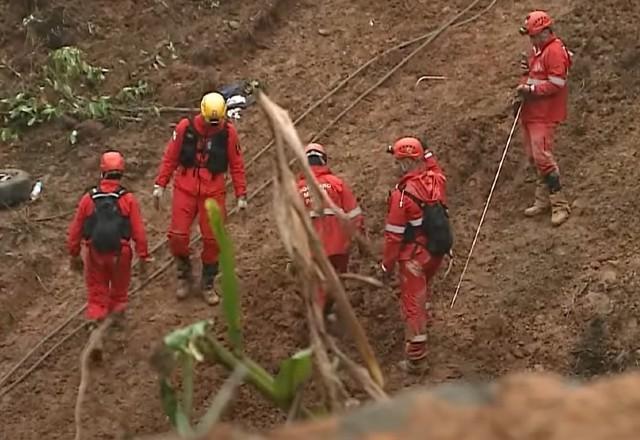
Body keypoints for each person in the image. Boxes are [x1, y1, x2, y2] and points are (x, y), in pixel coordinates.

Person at [152, 92, 248, 305]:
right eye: (210, 121)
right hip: (185, 189)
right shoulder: (185, 128)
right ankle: (184, 272)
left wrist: (242, 195)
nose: (214, 125)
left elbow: (237, 165)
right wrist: (160, 184)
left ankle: (207, 281)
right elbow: (170, 157)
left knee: (213, 239)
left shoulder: (229, 134)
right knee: (177, 236)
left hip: (213, 192)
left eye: (218, 121)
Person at [380, 137, 451, 374]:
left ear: (403, 163)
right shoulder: (437, 180)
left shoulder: (401, 197)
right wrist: (427, 151)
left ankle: (416, 360)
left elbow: (393, 237)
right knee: (421, 294)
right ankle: (423, 315)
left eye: (397, 160)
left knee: (412, 305)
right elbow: (435, 167)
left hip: (414, 259)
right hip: (436, 253)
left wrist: (385, 266)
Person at [67, 150, 150, 329]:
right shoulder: (128, 199)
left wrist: (74, 253)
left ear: (102, 172)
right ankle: (117, 317)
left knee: (97, 291)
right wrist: (143, 255)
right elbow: (139, 232)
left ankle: (97, 321)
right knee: (119, 289)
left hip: (95, 252)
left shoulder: (88, 199)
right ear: (121, 172)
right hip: (121, 252)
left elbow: (75, 230)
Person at [515, 10, 573, 226]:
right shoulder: (536, 51)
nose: (532, 40)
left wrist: (530, 89)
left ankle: (559, 204)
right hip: (531, 112)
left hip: (545, 114)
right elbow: (532, 75)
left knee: (543, 157)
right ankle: (543, 199)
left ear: (546, 31)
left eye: (534, 35)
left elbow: (557, 84)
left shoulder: (555, 51)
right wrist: (525, 74)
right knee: (534, 157)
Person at [296, 143, 365, 319]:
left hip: (313, 249)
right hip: (339, 246)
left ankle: (319, 324)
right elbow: (355, 215)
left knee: (317, 286)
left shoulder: (296, 189)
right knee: (336, 280)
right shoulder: (337, 184)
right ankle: (327, 313)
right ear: (323, 160)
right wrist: (361, 240)